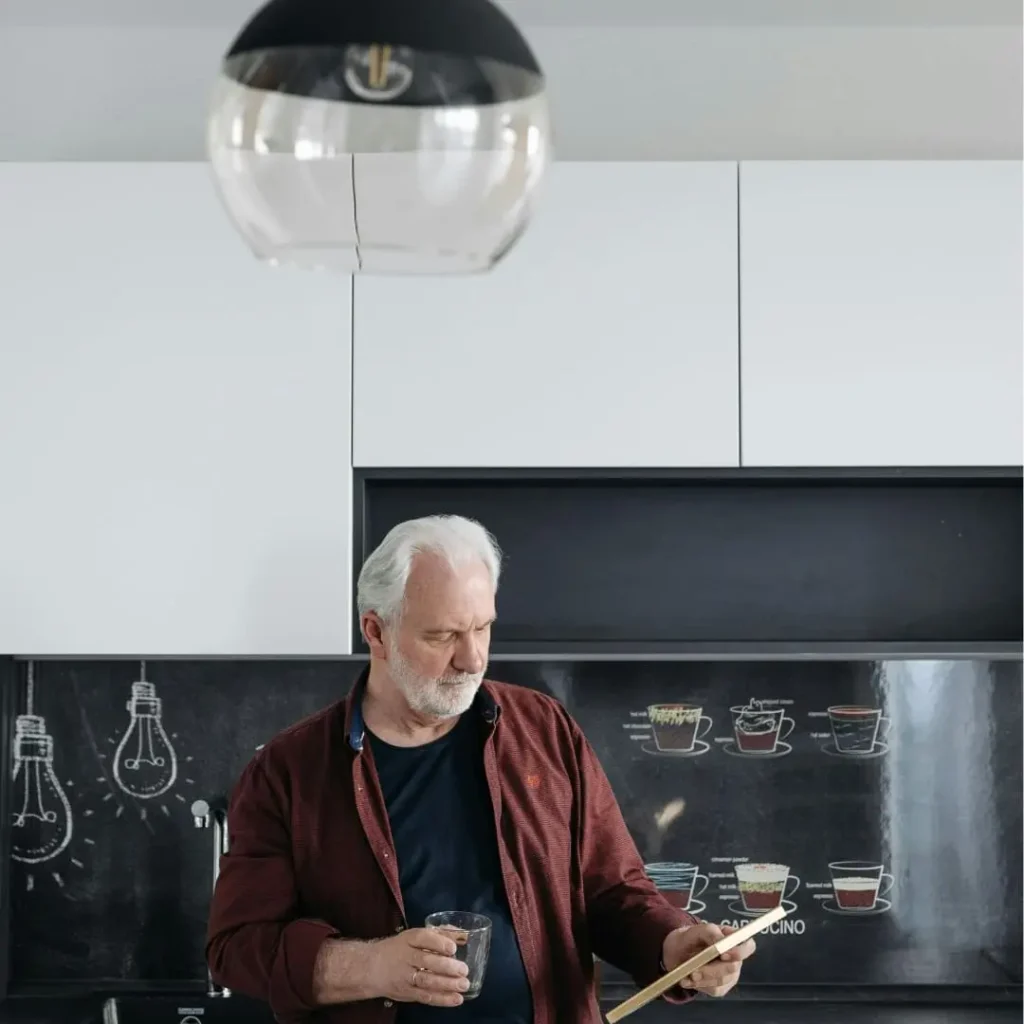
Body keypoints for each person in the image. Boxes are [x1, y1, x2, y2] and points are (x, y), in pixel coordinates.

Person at [206, 515, 757, 1023]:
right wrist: (373, 966)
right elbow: (237, 947)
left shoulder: (544, 729)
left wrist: (674, 944)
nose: (472, 659)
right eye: (442, 635)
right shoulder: (287, 771)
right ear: (375, 631)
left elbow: (611, 889)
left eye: (483, 628)